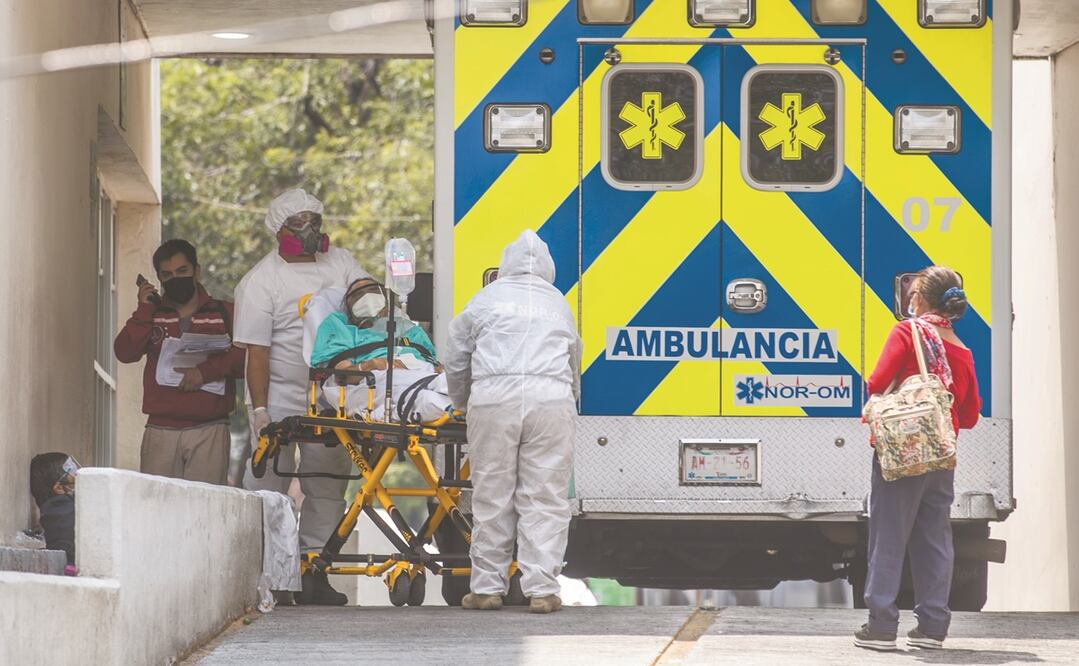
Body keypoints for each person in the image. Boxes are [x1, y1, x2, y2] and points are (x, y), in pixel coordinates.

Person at [234, 188, 368, 606]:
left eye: (314, 219)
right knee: (268, 488)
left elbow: (368, 302)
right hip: (280, 395)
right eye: (299, 222)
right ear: (279, 229)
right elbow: (257, 352)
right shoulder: (261, 281)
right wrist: (259, 411)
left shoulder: (341, 262)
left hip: (333, 395)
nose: (310, 229)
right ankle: (271, 577)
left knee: (326, 487)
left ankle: (315, 573)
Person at [444, 229, 582, 614]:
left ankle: (487, 588)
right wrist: (568, 397)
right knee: (545, 497)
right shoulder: (558, 303)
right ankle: (542, 590)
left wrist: (460, 401)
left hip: (493, 401)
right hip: (550, 401)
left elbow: (455, 355)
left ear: (506, 266)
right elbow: (574, 362)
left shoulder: (485, 299)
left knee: (492, 496)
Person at [854, 266, 981, 652]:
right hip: (941, 458)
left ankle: (881, 625)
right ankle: (932, 626)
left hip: (901, 455)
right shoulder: (960, 349)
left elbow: (876, 383)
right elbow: (972, 414)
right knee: (934, 537)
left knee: (889, 536)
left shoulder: (906, 333)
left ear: (919, 299)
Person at [114, 239, 245, 486]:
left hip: (210, 428)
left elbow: (246, 356)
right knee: (157, 510)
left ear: (197, 271)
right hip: (161, 430)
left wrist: (205, 372)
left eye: (182, 271)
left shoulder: (225, 312)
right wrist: (144, 310)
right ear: (159, 278)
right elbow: (125, 352)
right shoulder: (151, 315)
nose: (176, 278)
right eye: (167, 274)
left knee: (204, 511)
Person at [310, 278, 452, 423]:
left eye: (372, 291)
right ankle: (452, 404)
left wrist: (439, 368)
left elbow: (433, 363)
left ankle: (452, 399)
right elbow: (342, 376)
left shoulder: (409, 330)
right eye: (358, 295)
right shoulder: (346, 332)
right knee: (431, 395)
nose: (366, 297)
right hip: (376, 378)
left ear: (386, 301)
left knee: (445, 382)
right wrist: (373, 364)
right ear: (349, 308)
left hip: (422, 371)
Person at [29, 453, 79, 565]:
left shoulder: (57, 510)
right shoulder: (64, 513)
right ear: (59, 488)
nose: (77, 474)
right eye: (71, 470)